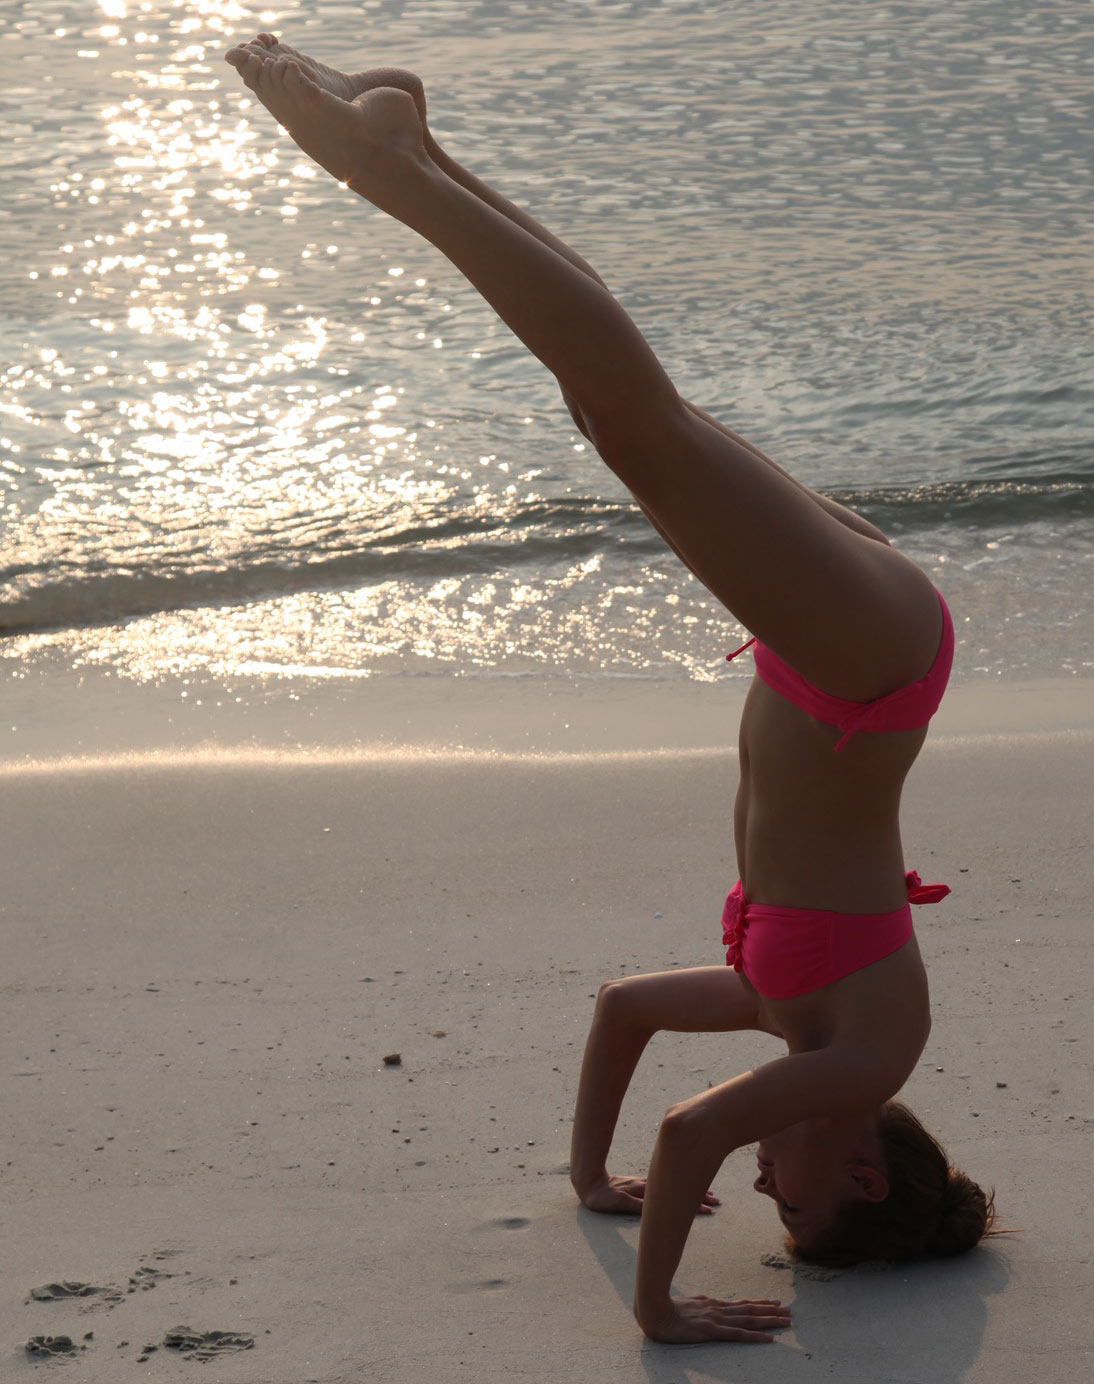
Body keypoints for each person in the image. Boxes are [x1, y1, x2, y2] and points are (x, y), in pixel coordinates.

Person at [225, 36, 997, 1345]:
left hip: (843, 656)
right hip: (862, 667)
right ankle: (390, 168)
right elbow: (694, 1132)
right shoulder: (863, 1056)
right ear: (865, 1179)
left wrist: (588, 1177)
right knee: (643, 427)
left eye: (769, 1212)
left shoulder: (789, 1012)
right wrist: (660, 1312)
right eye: (800, 1209)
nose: (768, 1191)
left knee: (628, 418)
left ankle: (418, 148)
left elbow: (624, 1010)